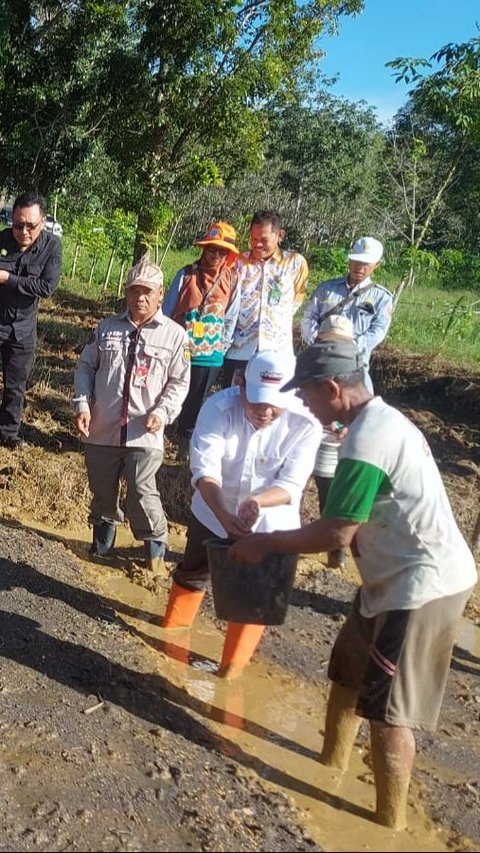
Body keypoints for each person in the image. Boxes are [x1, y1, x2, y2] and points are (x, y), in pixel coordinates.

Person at [228, 339, 477, 830]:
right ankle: (331, 767)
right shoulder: (370, 423)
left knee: (388, 710)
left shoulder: (369, 440)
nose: (304, 404)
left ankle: (389, 825)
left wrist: (266, 544)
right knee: (346, 673)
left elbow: (337, 531)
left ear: (332, 388)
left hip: (422, 584)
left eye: (308, 395)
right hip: (387, 578)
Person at [162, 348, 322, 677]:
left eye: (274, 405)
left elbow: (292, 484)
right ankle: (169, 642)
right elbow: (204, 471)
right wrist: (224, 516)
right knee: (194, 573)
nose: (264, 412)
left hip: (271, 523)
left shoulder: (306, 423)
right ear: (240, 384)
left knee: (254, 599)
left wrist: (259, 503)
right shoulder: (218, 408)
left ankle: (231, 671)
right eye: (257, 402)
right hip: (212, 511)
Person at [73, 259, 191, 571]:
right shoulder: (106, 329)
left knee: (141, 489)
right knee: (102, 492)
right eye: (133, 291)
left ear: (160, 294)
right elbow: (86, 367)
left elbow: (180, 382)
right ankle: (100, 551)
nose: (139, 297)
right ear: (126, 294)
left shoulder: (175, 336)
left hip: (145, 431)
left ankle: (155, 555)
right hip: (102, 427)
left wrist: (163, 412)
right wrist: (82, 405)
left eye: (147, 292)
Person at [162, 222, 240, 454]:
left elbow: (231, 318)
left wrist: (221, 347)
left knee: (196, 400)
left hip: (210, 356)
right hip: (180, 349)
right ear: (204, 249)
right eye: (212, 249)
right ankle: (163, 431)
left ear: (228, 254)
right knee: (171, 391)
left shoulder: (232, 280)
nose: (215, 255)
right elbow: (167, 310)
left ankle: (183, 442)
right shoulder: (186, 275)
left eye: (221, 251)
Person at [0, 191, 62, 448]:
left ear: (43, 221)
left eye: (31, 226)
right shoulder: (1, 239)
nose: (23, 231)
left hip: (23, 330)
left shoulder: (52, 247)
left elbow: (47, 287)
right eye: (17, 225)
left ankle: (8, 434)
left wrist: (8, 279)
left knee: (16, 386)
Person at [222, 210, 308, 388]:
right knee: (234, 402)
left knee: (270, 406)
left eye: (263, 239)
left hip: (277, 352)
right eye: (253, 238)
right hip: (240, 350)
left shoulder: (295, 263)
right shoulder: (238, 262)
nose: (257, 244)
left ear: (279, 235)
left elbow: (296, 300)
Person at [301, 236, 392, 392]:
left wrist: (346, 348)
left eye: (366, 264)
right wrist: (320, 343)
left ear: (377, 265)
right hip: (320, 360)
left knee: (361, 410)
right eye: (356, 261)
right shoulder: (326, 288)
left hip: (355, 365)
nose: (359, 267)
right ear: (350, 260)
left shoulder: (382, 297)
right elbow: (309, 317)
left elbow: (377, 331)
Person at [312, 314, 353, 570]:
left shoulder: (354, 372)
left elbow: (354, 410)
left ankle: (335, 548)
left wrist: (341, 426)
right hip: (305, 435)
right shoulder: (307, 365)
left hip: (331, 439)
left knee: (328, 491)